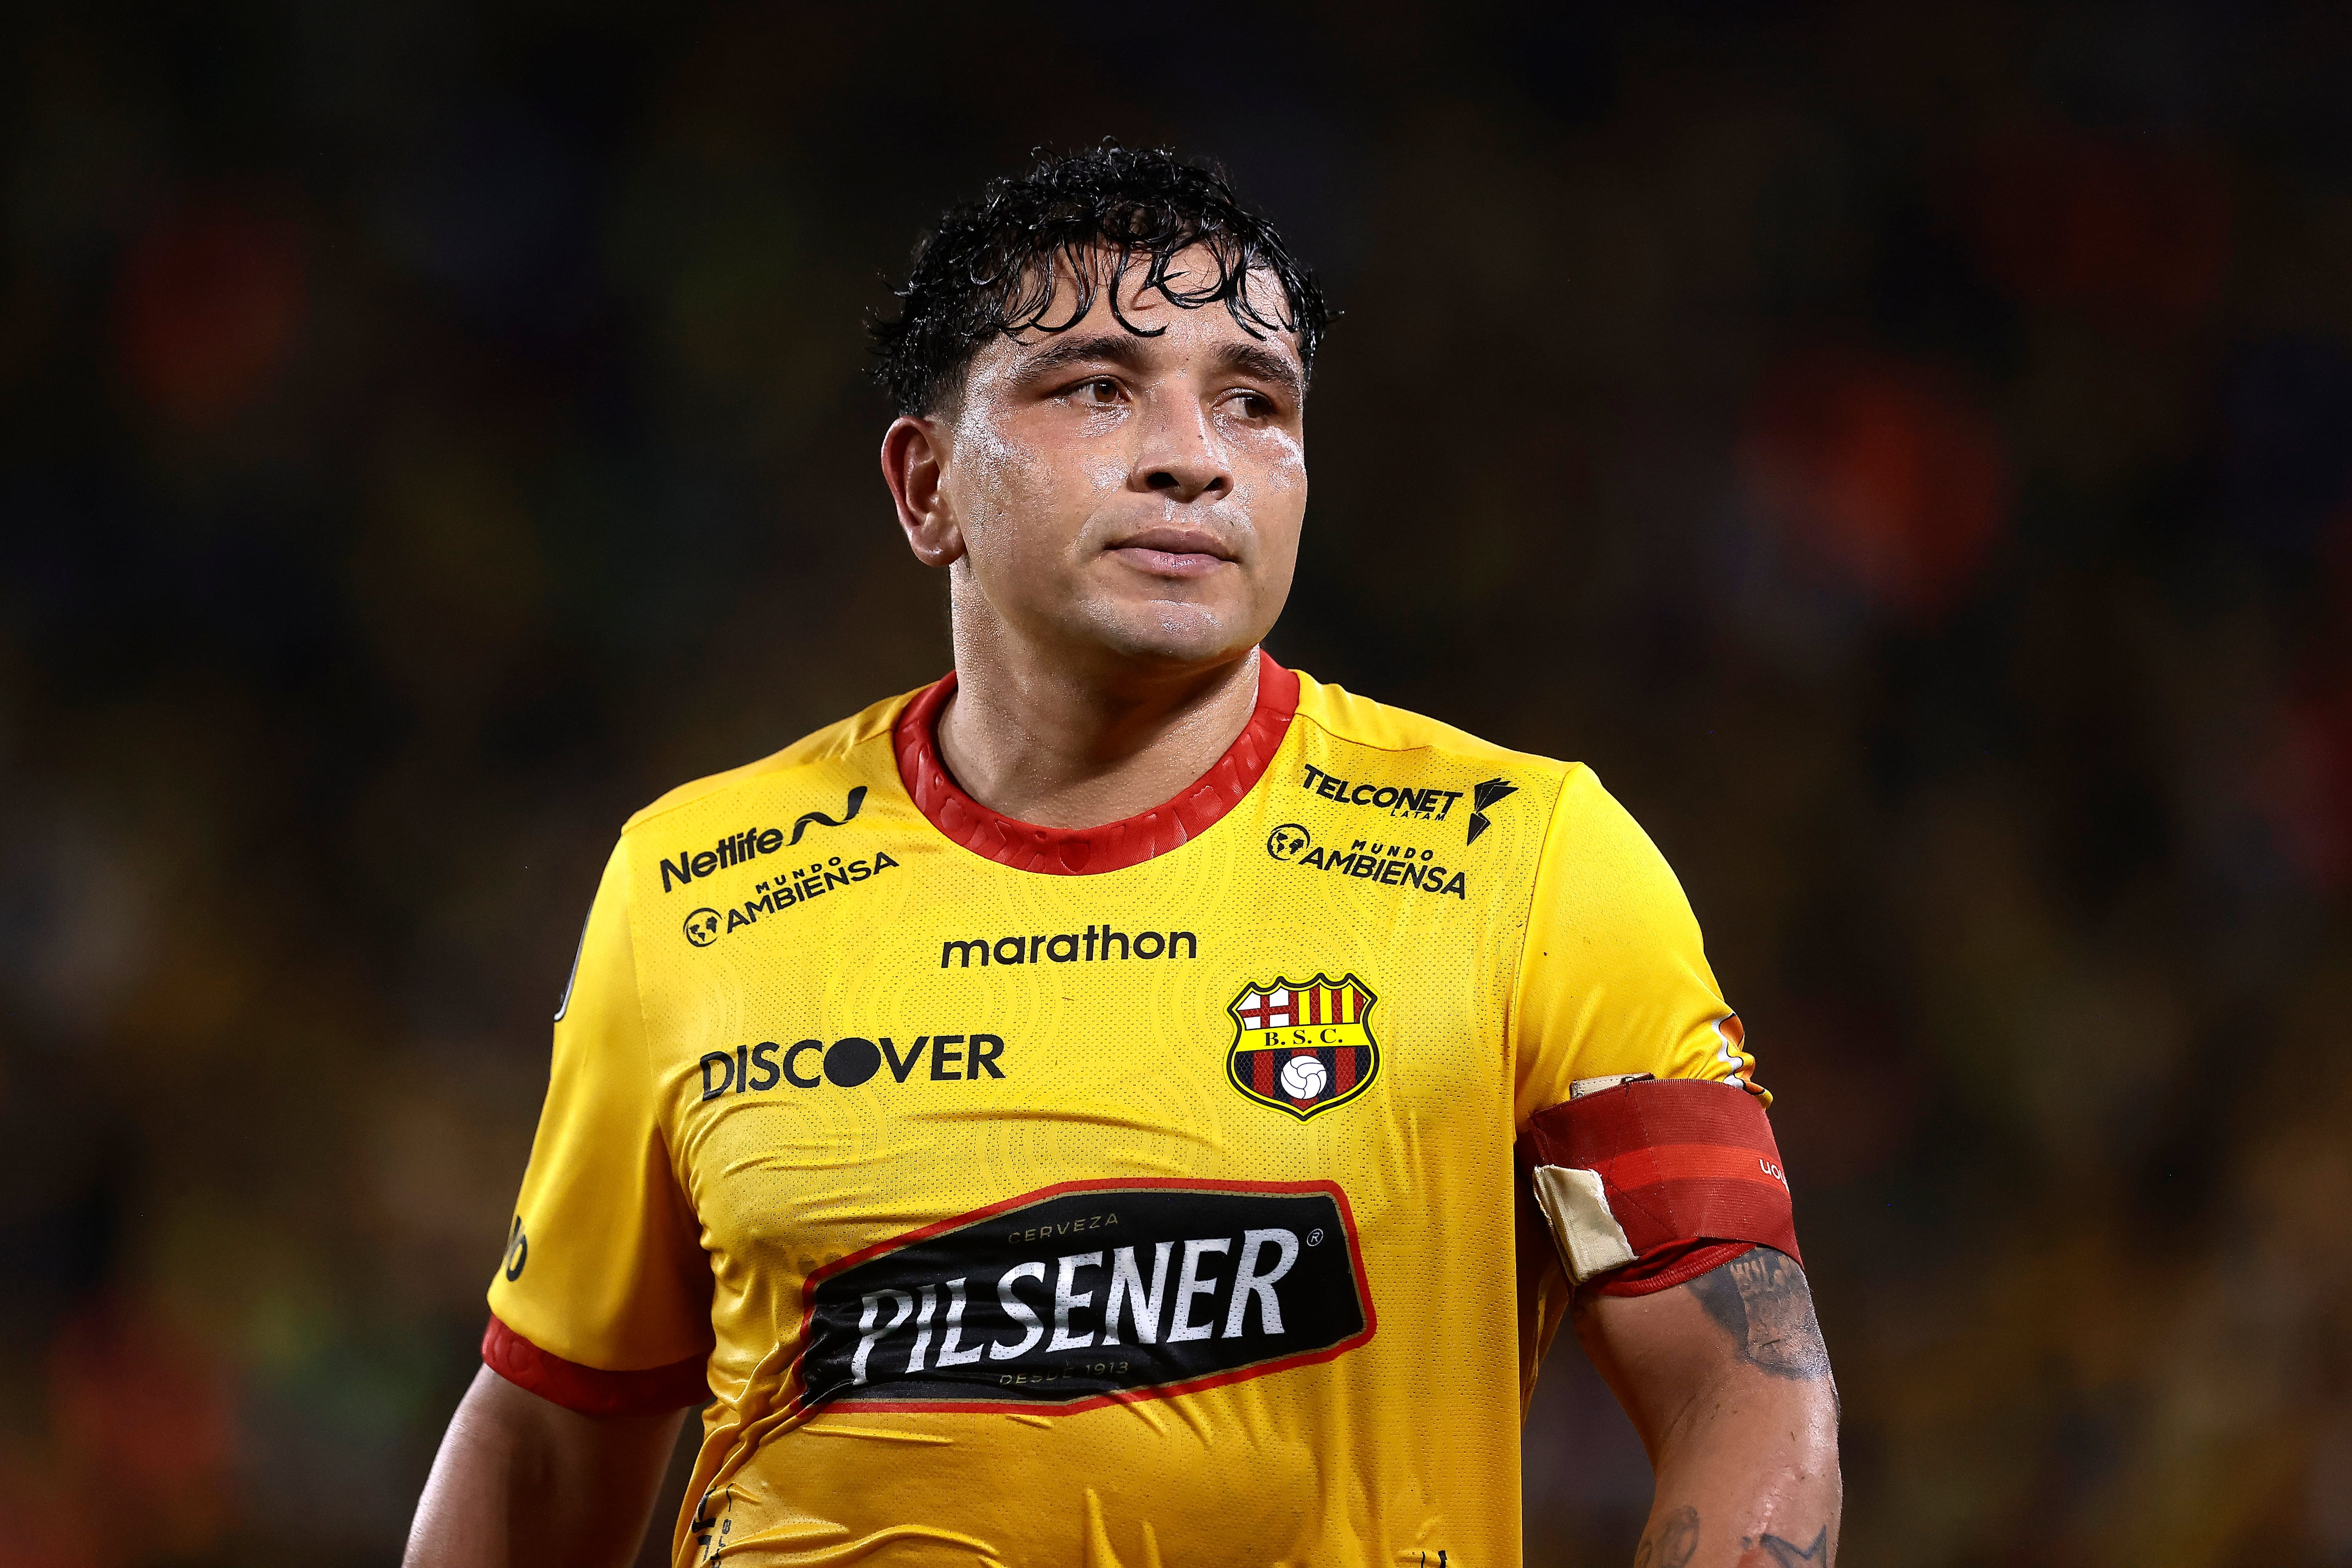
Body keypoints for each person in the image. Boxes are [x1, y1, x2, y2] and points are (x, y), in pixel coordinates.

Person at [403, 143, 1839, 1568]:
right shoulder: (695, 887)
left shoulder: (1525, 864)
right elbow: (544, 1434)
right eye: (1097, 388)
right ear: (927, 490)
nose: (1192, 455)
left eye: (1253, 404)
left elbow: (1745, 1381)